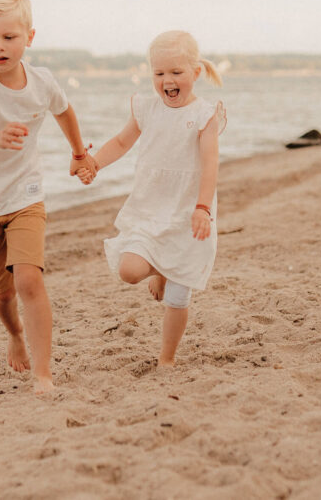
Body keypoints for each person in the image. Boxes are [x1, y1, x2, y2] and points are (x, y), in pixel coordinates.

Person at [0, 0, 97, 394]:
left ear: (29, 38)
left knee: (28, 281)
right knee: (1, 295)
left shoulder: (42, 81)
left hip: (25, 196)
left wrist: (77, 153)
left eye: (9, 37)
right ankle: (14, 334)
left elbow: (64, 111)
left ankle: (43, 373)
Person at [77, 30, 225, 367]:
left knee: (177, 294)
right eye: (159, 74)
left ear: (195, 73)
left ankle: (166, 359)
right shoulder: (146, 108)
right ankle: (159, 267)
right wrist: (95, 162)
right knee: (129, 271)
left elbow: (210, 165)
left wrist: (203, 208)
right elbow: (120, 142)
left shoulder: (205, 115)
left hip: (189, 211)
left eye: (176, 73)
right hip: (152, 205)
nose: (167, 81)